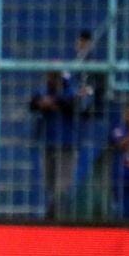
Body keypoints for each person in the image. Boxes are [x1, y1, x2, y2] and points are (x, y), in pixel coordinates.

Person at [30, 71, 87, 220]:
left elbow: (73, 102)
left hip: (67, 145)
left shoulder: (70, 92)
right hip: (48, 144)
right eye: (49, 76)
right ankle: (53, 214)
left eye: (54, 77)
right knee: (49, 184)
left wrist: (53, 102)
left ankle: (58, 218)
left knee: (63, 186)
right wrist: (43, 103)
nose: (50, 80)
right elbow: (33, 102)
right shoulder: (44, 91)